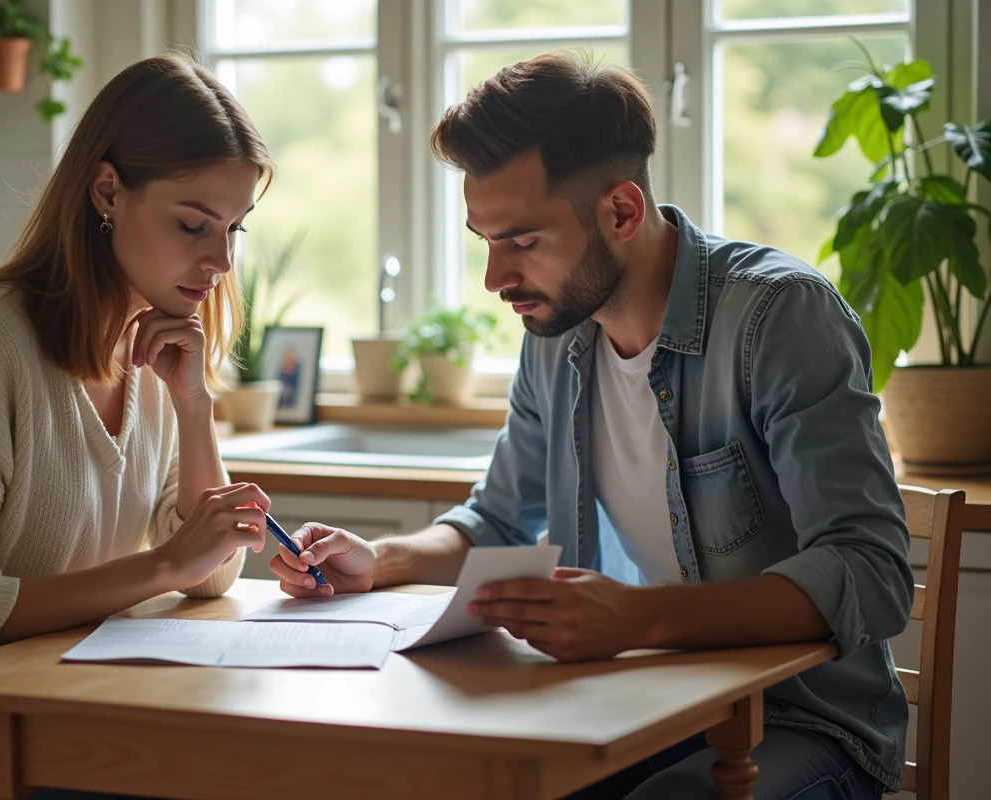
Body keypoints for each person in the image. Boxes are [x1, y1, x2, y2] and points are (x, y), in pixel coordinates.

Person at [269, 51, 914, 800]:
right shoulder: (555, 336)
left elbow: (872, 574)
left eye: (522, 241)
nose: (495, 280)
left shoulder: (780, 317)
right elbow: (500, 520)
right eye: (486, 242)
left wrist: (637, 619)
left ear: (621, 212)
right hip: (635, 703)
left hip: (804, 724)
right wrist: (381, 559)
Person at [0, 54, 275, 800]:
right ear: (106, 191)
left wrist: (194, 408)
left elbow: (213, 571)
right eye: (194, 224)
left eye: (234, 230)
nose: (221, 260)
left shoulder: (154, 352)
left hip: (60, 717)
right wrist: (160, 566)